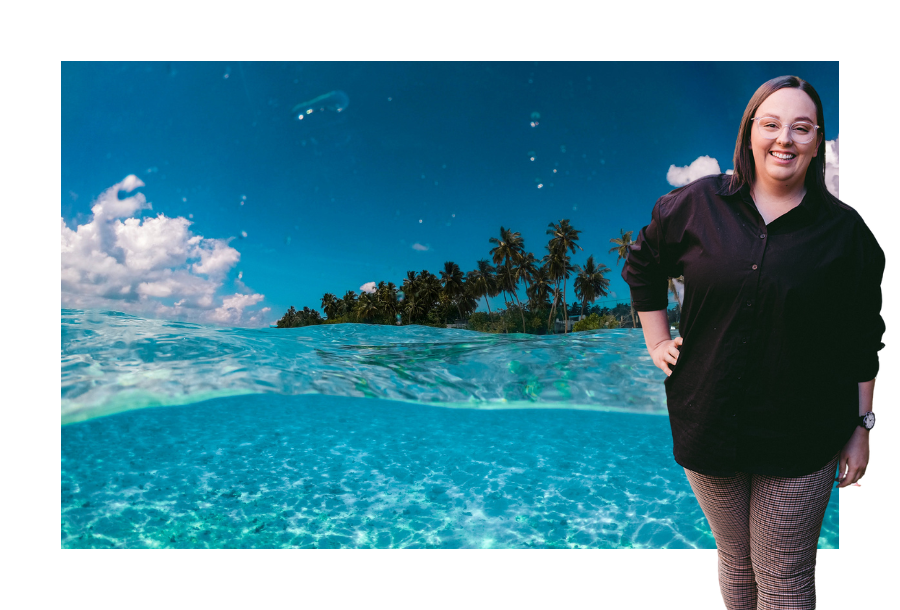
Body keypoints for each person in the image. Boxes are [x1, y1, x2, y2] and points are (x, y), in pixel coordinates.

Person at [622, 75, 885, 610]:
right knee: (737, 563)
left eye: (801, 127)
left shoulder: (846, 233)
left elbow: (863, 333)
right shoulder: (696, 205)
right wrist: (656, 341)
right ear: (749, 133)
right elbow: (643, 263)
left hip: (803, 433)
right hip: (708, 421)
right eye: (770, 124)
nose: (784, 138)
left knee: (784, 576)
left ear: (818, 141)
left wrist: (862, 426)